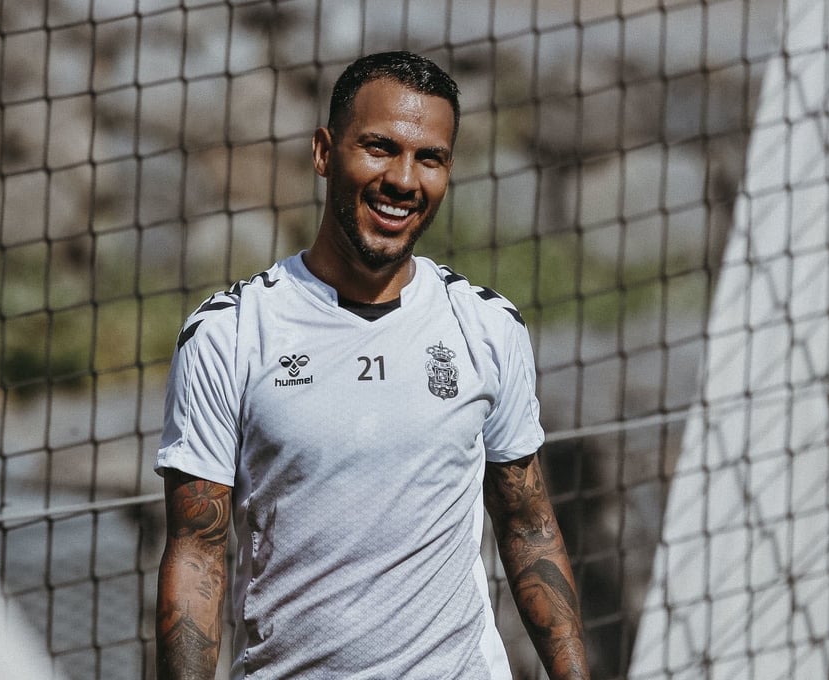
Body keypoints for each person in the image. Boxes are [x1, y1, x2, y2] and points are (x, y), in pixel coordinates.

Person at [155, 50, 589, 680]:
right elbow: (197, 554)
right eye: (380, 148)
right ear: (324, 152)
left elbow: (528, 526)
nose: (404, 180)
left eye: (430, 158)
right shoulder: (230, 333)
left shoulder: (487, 326)